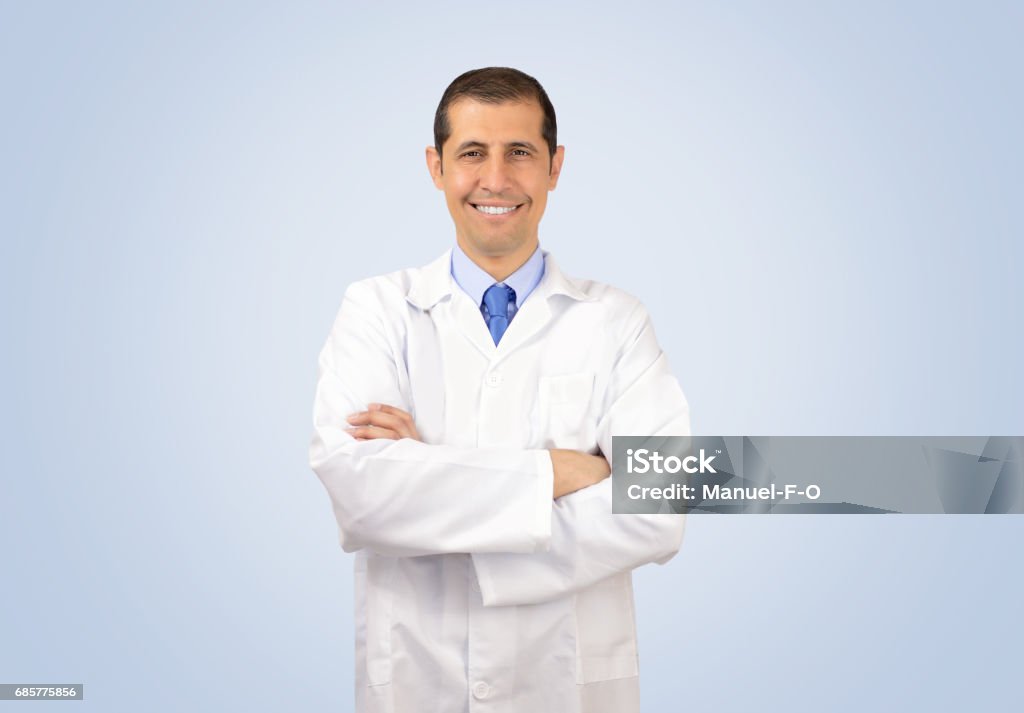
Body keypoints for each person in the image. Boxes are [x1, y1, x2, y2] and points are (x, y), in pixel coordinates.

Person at [309, 67, 690, 713]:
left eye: (520, 152)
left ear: (554, 166)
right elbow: (363, 495)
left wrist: (429, 476)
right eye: (471, 154)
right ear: (436, 166)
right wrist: (561, 471)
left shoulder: (616, 320)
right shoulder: (376, 309)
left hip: (566, 685)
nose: (496, 179)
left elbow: (660, 503)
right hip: (415, 682)